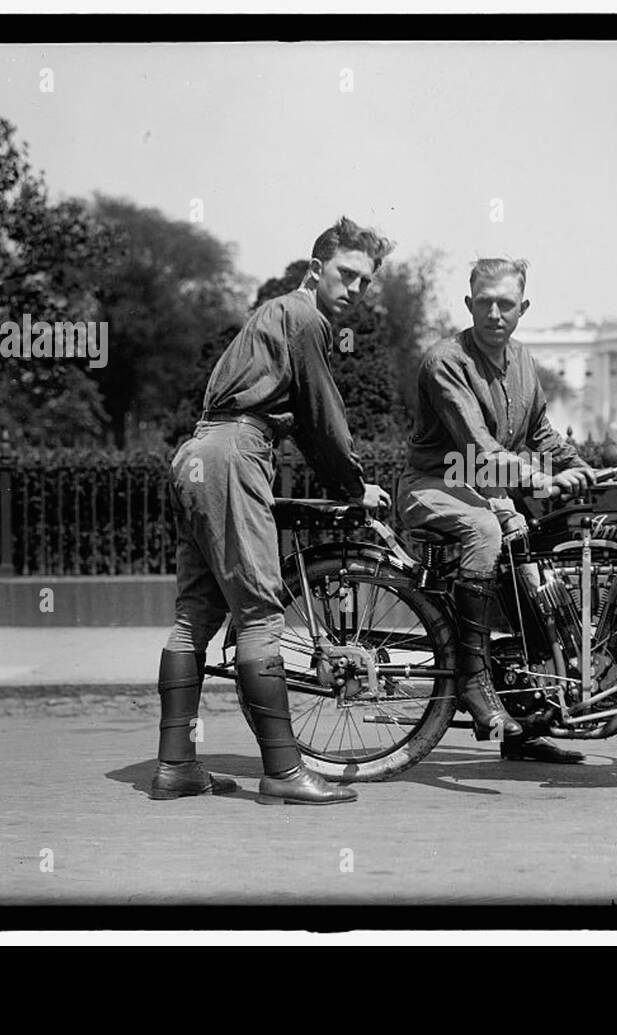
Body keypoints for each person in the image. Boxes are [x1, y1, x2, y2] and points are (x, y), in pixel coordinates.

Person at [150, 216, 393, 804]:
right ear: (316, 270)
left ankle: (175, 767)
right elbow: (321, 416)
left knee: (193, 619)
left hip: (198, 455)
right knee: (261, 617)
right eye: (346, 274)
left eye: (365, 281)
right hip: (235, 454)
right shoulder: (304, 315)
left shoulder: (272, 315)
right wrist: (353, 486)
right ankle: (284, 772)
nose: (354, 290)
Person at [397, 258, 595, 763]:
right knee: (486, 529)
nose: (493, 312)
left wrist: (582, 467)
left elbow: (541, 434)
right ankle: (471, 678)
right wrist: (546, 480)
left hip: (484, 486)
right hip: (436, 484)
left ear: (522, 307)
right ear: (468, 304)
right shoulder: (446, 360)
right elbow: (479, 451)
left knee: (528, 560)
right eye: (483, 301)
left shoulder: (523, 361)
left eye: (505, 303)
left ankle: (526, 720)